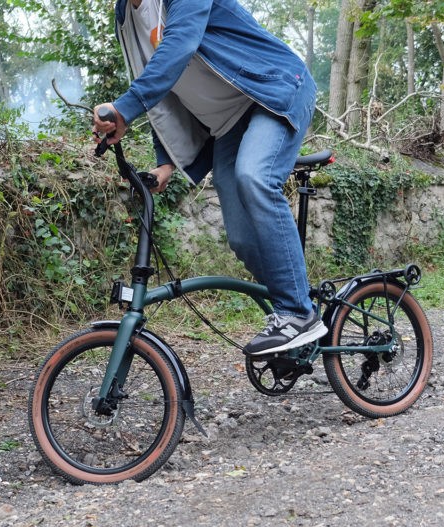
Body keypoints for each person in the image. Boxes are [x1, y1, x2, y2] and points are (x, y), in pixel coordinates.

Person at [92, 0, 326, 356]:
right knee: (243, 238)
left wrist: (125, 107)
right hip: (228, 123)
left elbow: (179, 46)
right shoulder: (126, 17)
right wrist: (166, 162)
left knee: (255, 176)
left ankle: (297, 312)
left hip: (274, 90)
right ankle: (297, 311)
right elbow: (157, 85)